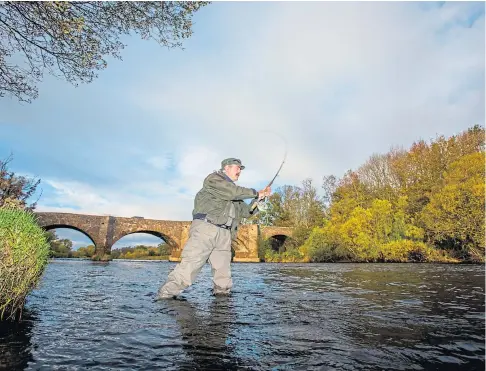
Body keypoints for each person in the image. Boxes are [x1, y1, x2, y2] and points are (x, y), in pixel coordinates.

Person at [157, 157, 271, 299]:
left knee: (223, 277)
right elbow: (232, 191)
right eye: (238, 167)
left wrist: (259, 199)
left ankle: (222, 305)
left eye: (241, 169)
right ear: (226, 168)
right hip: (206, 228)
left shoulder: (235, 195)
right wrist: (256, 192)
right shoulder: (213, 180)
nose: (240, 171)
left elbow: (246, 212)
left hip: (225, 234)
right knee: (189, 268)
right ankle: (164, 296)